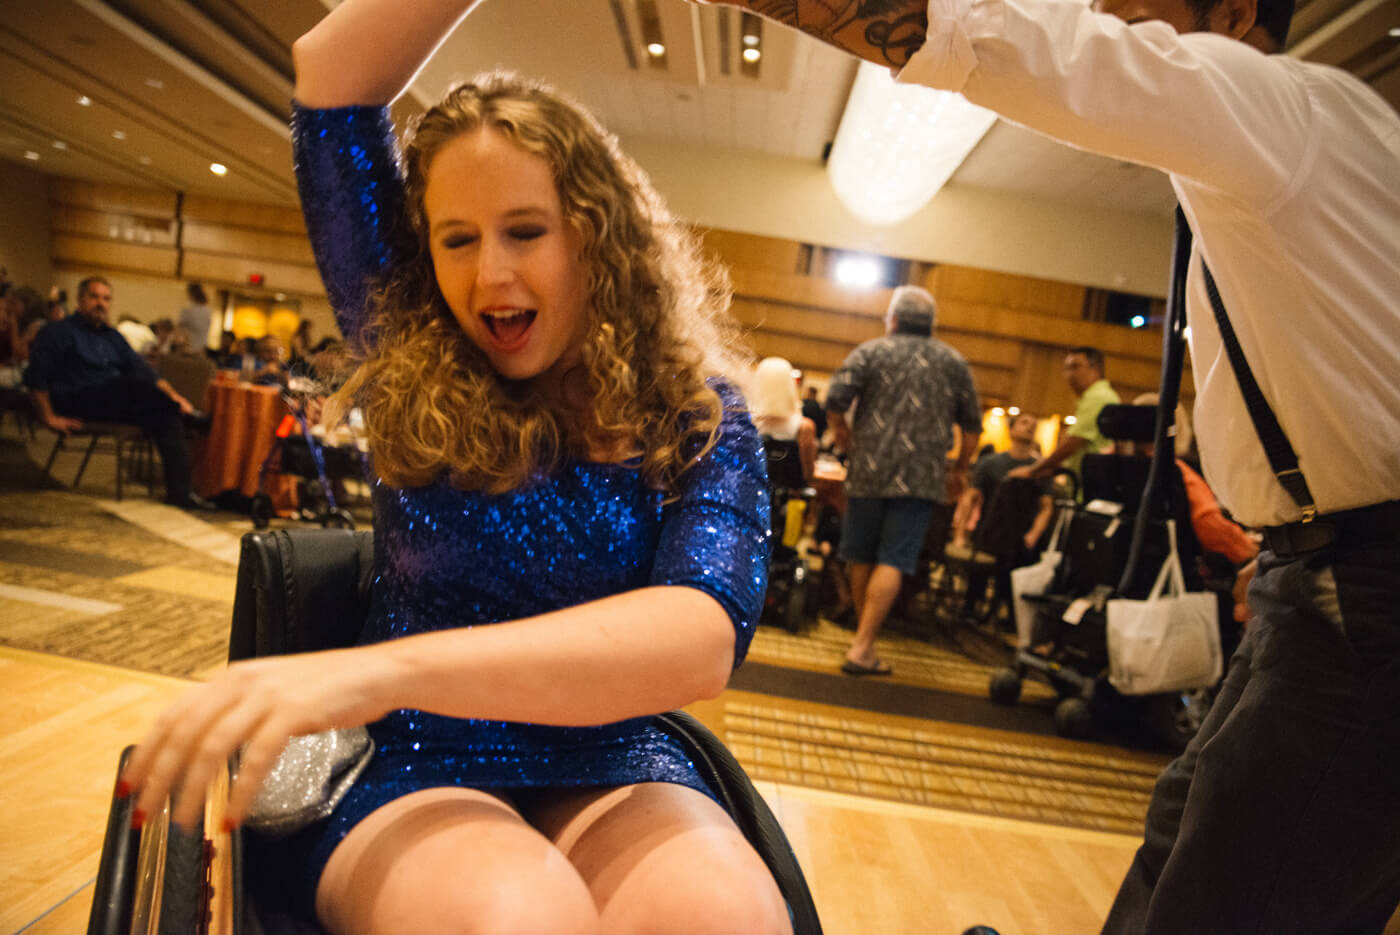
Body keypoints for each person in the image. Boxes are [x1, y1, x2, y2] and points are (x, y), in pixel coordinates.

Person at [707, 0, 1400, 931]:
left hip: (1364, 579)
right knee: (1191, 831)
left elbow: (1044, 52)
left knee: (1240, 887)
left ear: (1234, 14)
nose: (1108, 11)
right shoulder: (1337, 127)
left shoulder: (1271, 99)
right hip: (1325, 566)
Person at [117, 3, 788, 933]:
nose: (489, 277)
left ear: (596, 236)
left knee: (724, 915)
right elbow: (333, 71)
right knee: (514, 916)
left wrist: (375, 670)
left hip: (614, 750)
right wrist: (385, 689)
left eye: (526, 231)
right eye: (457, 239)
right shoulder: (407, 334)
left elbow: (700, 636)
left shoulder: (696, 406)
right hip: (414, 753)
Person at [826, 284, 981, 676]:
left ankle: (863, 643)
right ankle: (863, 645)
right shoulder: (953, 361)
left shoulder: (871, 351)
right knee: (894, 558)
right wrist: (960, 467)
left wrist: (843, 435)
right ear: (931, 323)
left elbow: (835, 398)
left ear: (892, 320)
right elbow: (973, 426)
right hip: (921, 477)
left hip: (868, 469)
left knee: (860, 555)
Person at [23, 276, 211, 510]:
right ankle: (191, 417)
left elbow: (145, 372)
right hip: (76, 399)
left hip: (114, 399)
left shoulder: (113, 336)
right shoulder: (58, 331)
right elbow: (36, 376)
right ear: (81, 300)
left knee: (165, 413)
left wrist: (176, 397)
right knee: (136, 387)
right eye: (94, 297)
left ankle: (182, 493)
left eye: (106, 298)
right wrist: (48, 417)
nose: (100, 303)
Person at [955, 411, 1054, 625]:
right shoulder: (991, 463)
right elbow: (970, 498)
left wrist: (1034, 534)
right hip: (989, 532)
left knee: (1015, 568)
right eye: (1024, 422)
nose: (1030, 426)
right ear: (1011, 430)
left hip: (1021, 538)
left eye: (1033, 424)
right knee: (981, 566)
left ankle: (1009, 614)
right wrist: (960, 534)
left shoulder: (1041, 469)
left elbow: (1046, 507)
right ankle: (971, 606)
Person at [1008, 346, 1118, 487]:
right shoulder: (1094, 397)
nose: (1069, 375)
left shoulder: (1098, 397)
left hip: (1093, 484)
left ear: (1095, 368)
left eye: (1075, 367)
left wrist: (1033, 470)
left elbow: (1073, 443)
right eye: (1067, 369)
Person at [752, 356, 818, 484]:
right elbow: (808, 474)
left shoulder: (746, 423)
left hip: (753, 495)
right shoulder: (804, 427)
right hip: (790, 499)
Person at [178, 282, 214, 353]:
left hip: (190, 349)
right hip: (202, 349)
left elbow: (179, 330)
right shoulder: (207, 311)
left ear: (190, 294)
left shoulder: (188, 311)